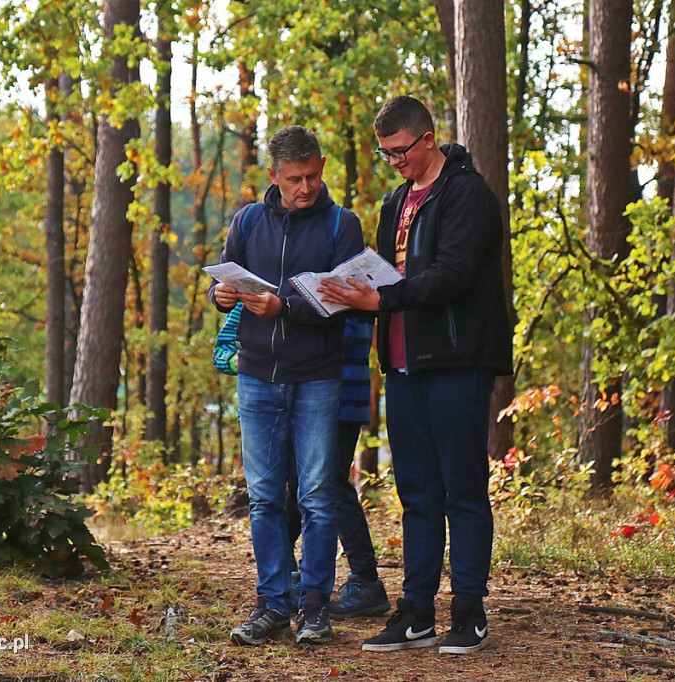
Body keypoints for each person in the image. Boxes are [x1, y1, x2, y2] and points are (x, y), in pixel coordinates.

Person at [320, 96, 513, 655]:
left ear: (428, 139)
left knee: (463, 490)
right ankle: (417, 612)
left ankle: (469, 611)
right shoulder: (395, 201)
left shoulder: (467, 194)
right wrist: (346, 292)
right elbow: (385, 275)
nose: (395, 162)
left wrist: (379, 297)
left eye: (401, 151)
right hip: (402, 365)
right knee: (417, 494)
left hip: (456, 363)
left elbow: (450, 276)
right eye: (386, 154)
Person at [209, 125, 364, 646]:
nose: (306, 187)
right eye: (295, 178)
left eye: (314, 176)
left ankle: (315, 606)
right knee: (265, 498)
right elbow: (222, 285)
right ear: (273, 176)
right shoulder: (248, 220)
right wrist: (222, 296)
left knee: (318, 494)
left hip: (318, 376)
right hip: (255, 376)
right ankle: (272, 604)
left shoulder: (343, 225)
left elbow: (342, 301)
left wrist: (283, 307)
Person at [283, 316, 391, 618]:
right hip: (302, 393)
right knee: (298, 481)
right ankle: (288, 574)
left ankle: (366, 579)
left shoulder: (350, 275)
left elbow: (348, 334)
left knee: (328, 483)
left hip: (341, 397)